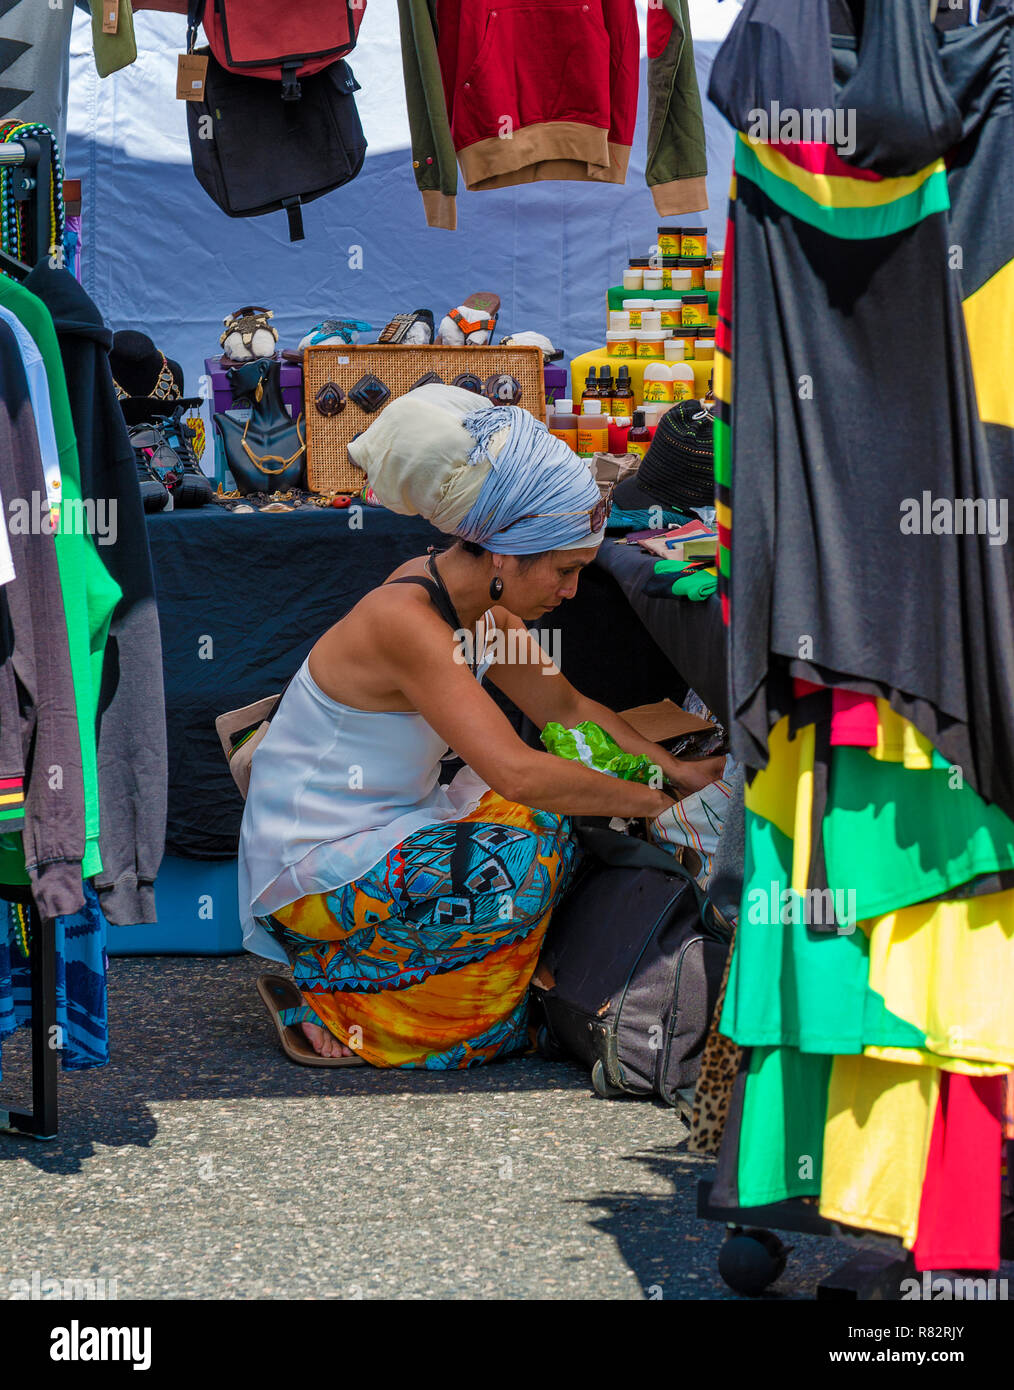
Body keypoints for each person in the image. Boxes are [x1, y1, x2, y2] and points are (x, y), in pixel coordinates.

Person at [239, 385, 724, 1068]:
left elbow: (569, 709)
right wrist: (657, 805)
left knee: (559, 826)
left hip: (385, 830)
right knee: (523, 859)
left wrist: (675, 771)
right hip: (316, 870)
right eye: (564, 570)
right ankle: (350, 1006)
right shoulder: (408, 623)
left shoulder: (486, 617)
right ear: (505, 554)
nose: (571, 591)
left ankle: (406, 983)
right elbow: (515, 770)